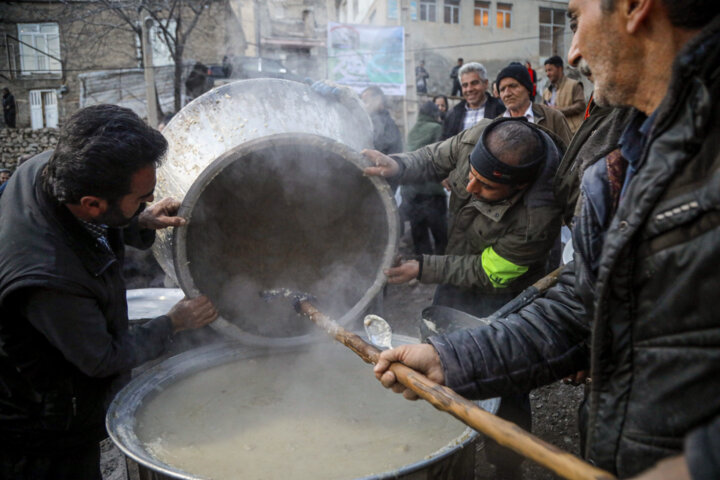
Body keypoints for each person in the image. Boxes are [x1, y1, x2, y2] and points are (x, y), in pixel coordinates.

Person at [374, 0, 720, 478]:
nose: (573, 53)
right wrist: (450, 360)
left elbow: (503, 273)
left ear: (637, 7)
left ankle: (505, 463)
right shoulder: (635, 149)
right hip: (620, 447)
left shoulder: (544, 208)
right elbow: (586, 302)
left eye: (576, 19)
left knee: (509, 405)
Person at [0, 104, 218, 479]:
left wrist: (137, 221)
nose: (150, 201)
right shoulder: (49, 279)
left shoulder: (54, 170)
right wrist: (173, 323)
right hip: (43, 430)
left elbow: (94, 224)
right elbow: (102, 358)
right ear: (93, 203)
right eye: (141, 198)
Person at [402, 101, 448, 256]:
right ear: (434, 114)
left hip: (411, 190)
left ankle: (422, 269)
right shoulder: (436, 128)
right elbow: (439, 157)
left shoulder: (413, 131)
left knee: (419, 232)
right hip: (431, 190)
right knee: (440, 233)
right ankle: (441, 268)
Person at [497, 62, 573, 147]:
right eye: (502, 89)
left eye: (513, 86)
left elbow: (570, 154)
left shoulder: (553, 118)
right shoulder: (496, 125)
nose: (507, 94)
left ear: (528, 89)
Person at [441, 62, 505, 140]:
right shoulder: (453, 114)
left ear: (486, 84)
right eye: (465, 85)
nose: (469, 89)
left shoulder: (501, 110)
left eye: (474, 83)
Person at [542, 55, 586, 134]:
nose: (547, 74)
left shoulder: (574, 85)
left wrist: (558, 110)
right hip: (554, 134)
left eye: (550, 70)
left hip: (572, 132)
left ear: (560, 69)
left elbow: (581, 105)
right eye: (546, 71)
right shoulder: (546, 91)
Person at [361, 86, 403, 155]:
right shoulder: (368, 121)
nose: (363, 106)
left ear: (378, 100)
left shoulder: (387, 124)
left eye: (365, 102)